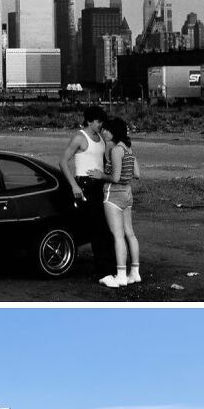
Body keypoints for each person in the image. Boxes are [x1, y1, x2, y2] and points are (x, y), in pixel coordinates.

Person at [59, 105, 116, 285]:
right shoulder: (79, 138)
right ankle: (104, 273)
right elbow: (62, 161)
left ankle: (111, 269)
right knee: (97, 229)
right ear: (90, 120)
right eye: (98, 121)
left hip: (99, 184)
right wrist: (74, 185)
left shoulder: (100, 137)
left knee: (106, 229)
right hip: (84, 184)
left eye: (102, 121)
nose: (101, 124)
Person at [90, 116, 141, 287]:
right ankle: (135, 272)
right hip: (127, 193)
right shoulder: (127, 148)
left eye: (107, 130)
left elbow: (115, 177)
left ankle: (120, 274)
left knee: (118, 236)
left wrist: (101, 175)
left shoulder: (116, 150)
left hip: (114, 195)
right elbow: (137, 173)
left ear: (113, 132)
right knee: (130, 234)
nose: (104, 132)